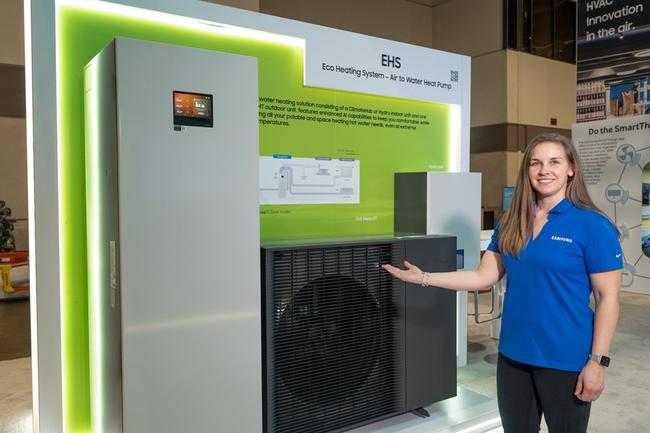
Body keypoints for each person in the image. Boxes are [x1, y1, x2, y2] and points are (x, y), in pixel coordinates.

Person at [383, 133, 622, 433]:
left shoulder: (592, 225)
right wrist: (424, 277)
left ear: (571, 168)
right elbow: (482, 276)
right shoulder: (512, 221)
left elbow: (607, 298)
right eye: (536, 163)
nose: (544, 170)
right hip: (513, 357)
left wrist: (597, 362)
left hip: (565, 359)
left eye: (554, 162)